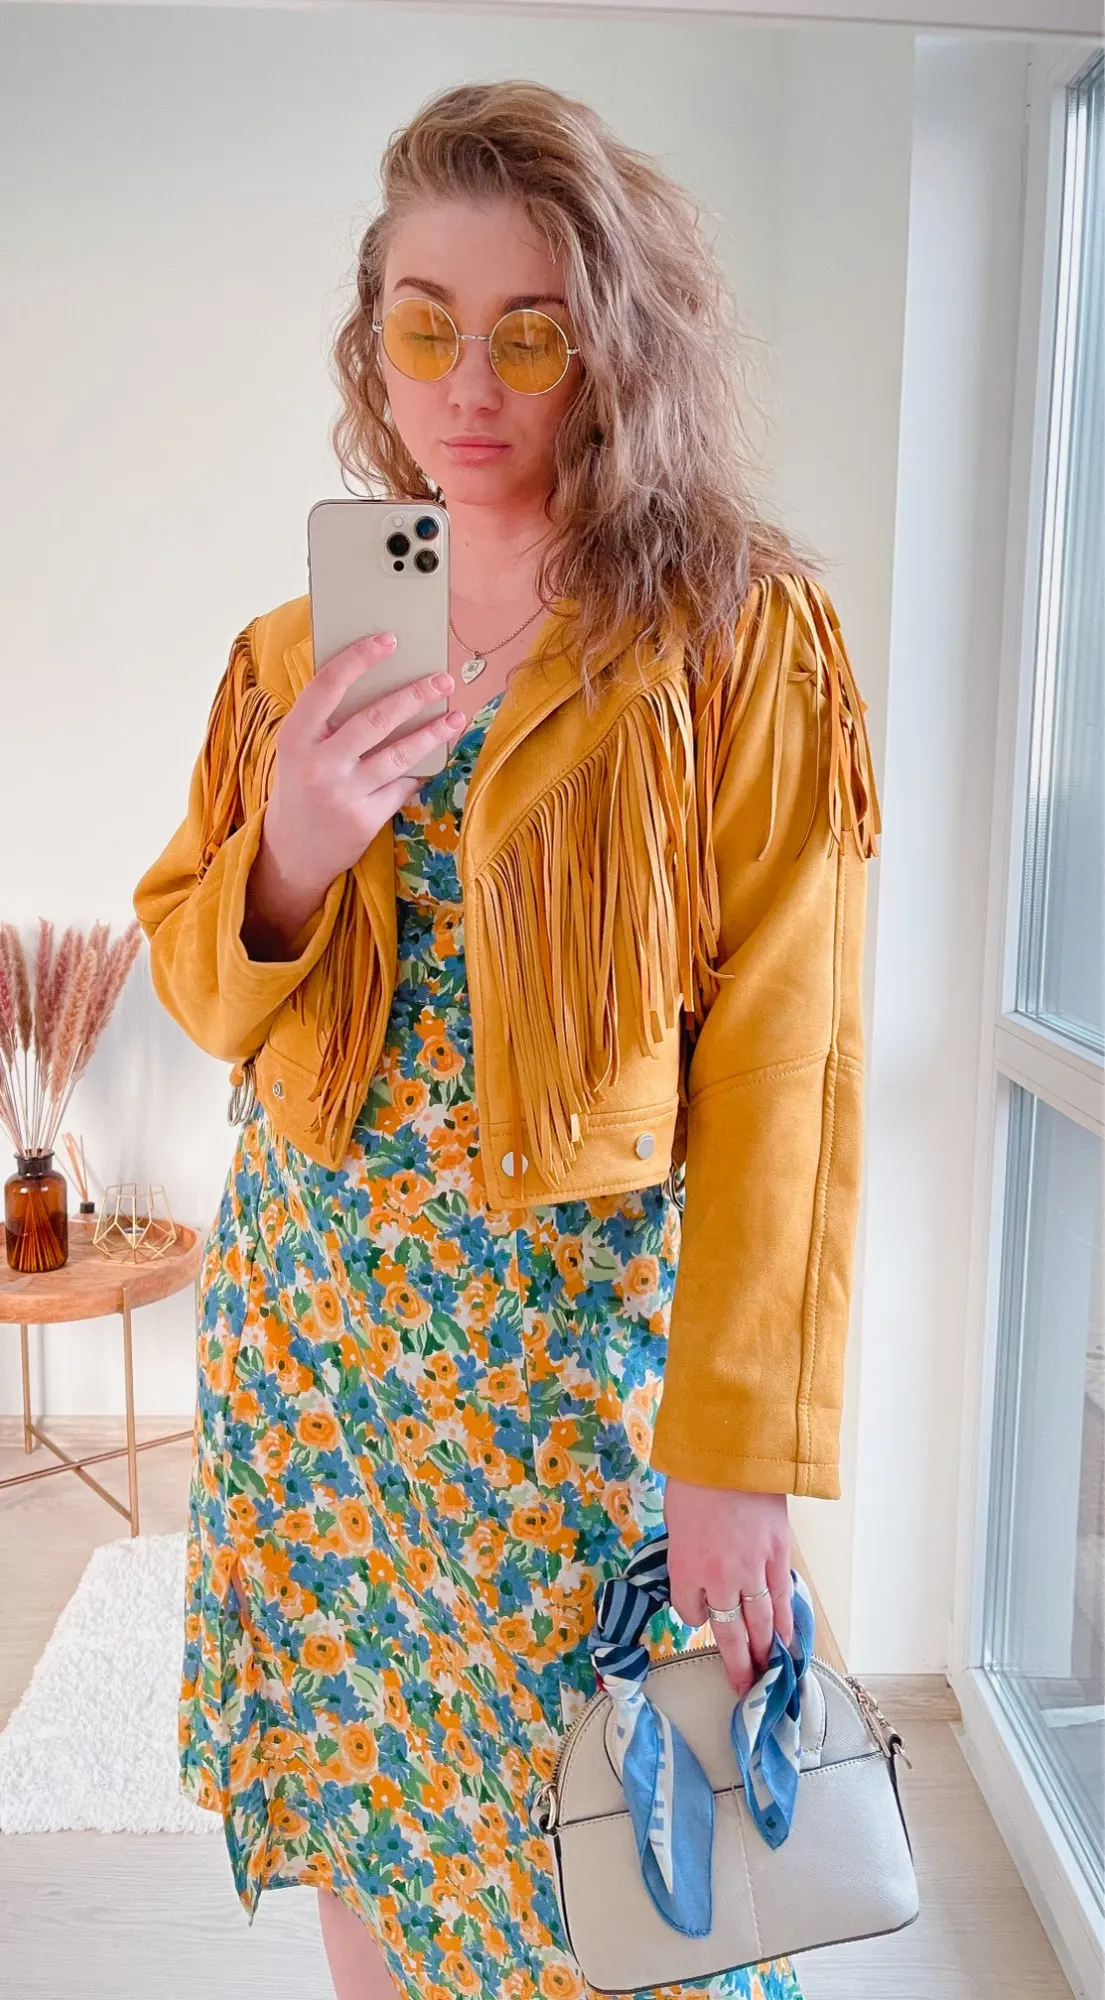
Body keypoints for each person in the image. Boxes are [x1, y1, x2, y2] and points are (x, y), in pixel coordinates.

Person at [133, 77, 881, 2000]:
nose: (470, 383)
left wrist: (735, 1450)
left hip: (567, 1370)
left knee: (631, 1876)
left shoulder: (734, 639)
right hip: (319, 1341)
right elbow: (204, 990)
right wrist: (292, 854)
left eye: (530, 334)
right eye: (426, 325)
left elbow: (786, 1065)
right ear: (372, 342)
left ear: (612, 345)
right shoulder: (295, 655)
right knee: (370, 1811)